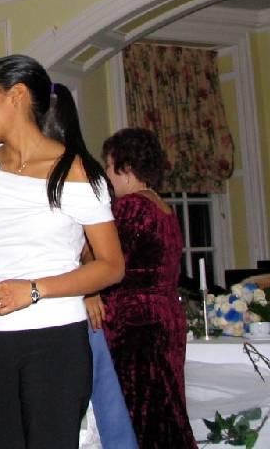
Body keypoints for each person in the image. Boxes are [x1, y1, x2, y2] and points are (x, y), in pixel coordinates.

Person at [0, 54, 125, 449]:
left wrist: (34, 290)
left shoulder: (76, 172)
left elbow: (111, 266)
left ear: (16, 95)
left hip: (57, 341)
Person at [92, 127, 196, 448]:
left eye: (109, 166)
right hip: (166, 317)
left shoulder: (131, 208)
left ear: (126, 167)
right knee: (166, 411)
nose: (107, 175)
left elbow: (109, 264)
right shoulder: (163, 208)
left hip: (137, 325)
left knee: (141, 416)